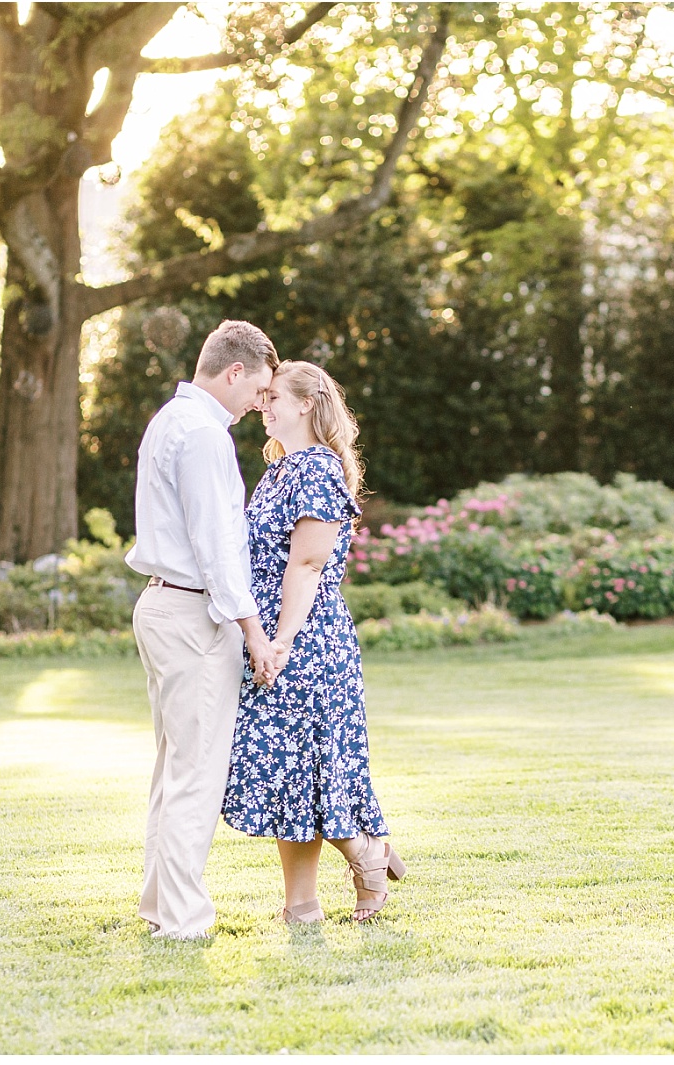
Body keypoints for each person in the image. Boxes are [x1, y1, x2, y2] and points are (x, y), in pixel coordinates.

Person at [221, 360, 407, 924]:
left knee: (310, 767)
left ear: (306, 403)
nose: (262, 405)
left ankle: (368, 859)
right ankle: (302, 904)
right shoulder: (279, 469)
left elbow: (305, 564)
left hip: (306, 640)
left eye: (273, 396)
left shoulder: (318, 469)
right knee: (289, 771)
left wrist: (277, 642)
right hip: (275, 637)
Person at [126, 320, 283, 940]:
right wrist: (254, 633)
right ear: (234, 372)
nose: (259, 403)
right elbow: (218, 546)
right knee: (195, 771)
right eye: (259, 388)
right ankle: (184, 921)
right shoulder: (203, 436)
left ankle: (161, 906)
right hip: (192, 615)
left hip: (165, 608)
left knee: (174, 767)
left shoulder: (171, 419)